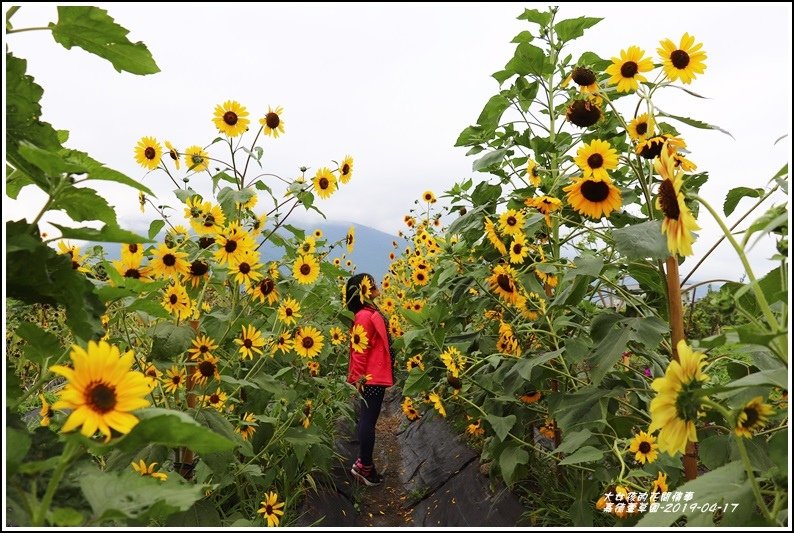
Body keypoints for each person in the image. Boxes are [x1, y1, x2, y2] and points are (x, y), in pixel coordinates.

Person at [345, 273, 394, 486]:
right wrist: (358, 378)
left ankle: (363, 463)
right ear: (362, 291)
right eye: (370, 284)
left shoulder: (368, 311)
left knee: (369, 419)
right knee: (367, 421)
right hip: (370, 378)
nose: (375, 286)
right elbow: (359, 349)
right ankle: (365, 467)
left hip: (375, 375)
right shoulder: (364, 315)